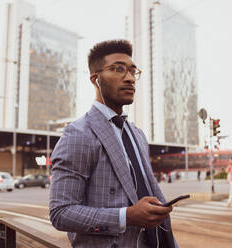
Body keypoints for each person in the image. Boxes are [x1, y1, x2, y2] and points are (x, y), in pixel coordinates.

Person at [49, 40, 178, 248]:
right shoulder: (78, 134)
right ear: (96, 79)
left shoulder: (137, 134)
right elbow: (61, 213)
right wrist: (125, 216)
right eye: (118, 69)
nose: (129, 78)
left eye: (132, 71)